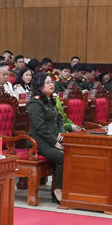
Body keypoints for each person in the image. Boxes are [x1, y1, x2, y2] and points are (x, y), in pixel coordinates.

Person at [27, 73, 65, 203]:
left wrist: (61, 132)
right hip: (39, 142)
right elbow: (40, 127)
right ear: (40, 85)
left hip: (53, 138)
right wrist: (54, 142)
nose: (51, 84)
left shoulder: (50, 100)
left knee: (73, 153)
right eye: (48, 82)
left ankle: (70, 188)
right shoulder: (35, 102)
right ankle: (58, 189)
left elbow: (60, 118)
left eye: (52, 82)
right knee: (62, 157)